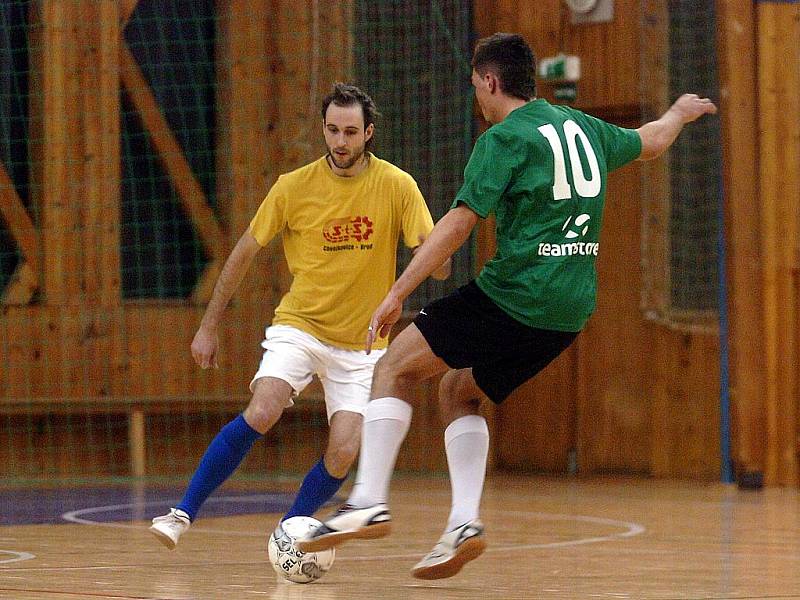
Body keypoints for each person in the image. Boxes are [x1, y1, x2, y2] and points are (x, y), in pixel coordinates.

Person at [296, 33, 717, 579]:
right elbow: (655, 140)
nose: (477, 98)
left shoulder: (505, 138)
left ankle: (367, 501)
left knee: (394, 366)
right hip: (568, 311)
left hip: (516, 293)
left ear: (491, 83)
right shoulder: (585, 128)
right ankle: (464, 523)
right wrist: (680, 112)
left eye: (476, 87)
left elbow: (458, 224)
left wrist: (398, 291)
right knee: (459, 389)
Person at [149, 82, 450, 550]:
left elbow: (436, 257)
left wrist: (441, 248)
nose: (340, 142)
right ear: (323, 129)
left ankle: (288, 533)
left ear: (368, 132)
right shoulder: (293, 187)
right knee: (265, 408)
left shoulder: (397, 185)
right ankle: (182, 511)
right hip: (301, 327)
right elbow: (244, 253)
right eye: (332, 130)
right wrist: (208, 325)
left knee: (344, 450)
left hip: (364, 343)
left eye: (351, 132)